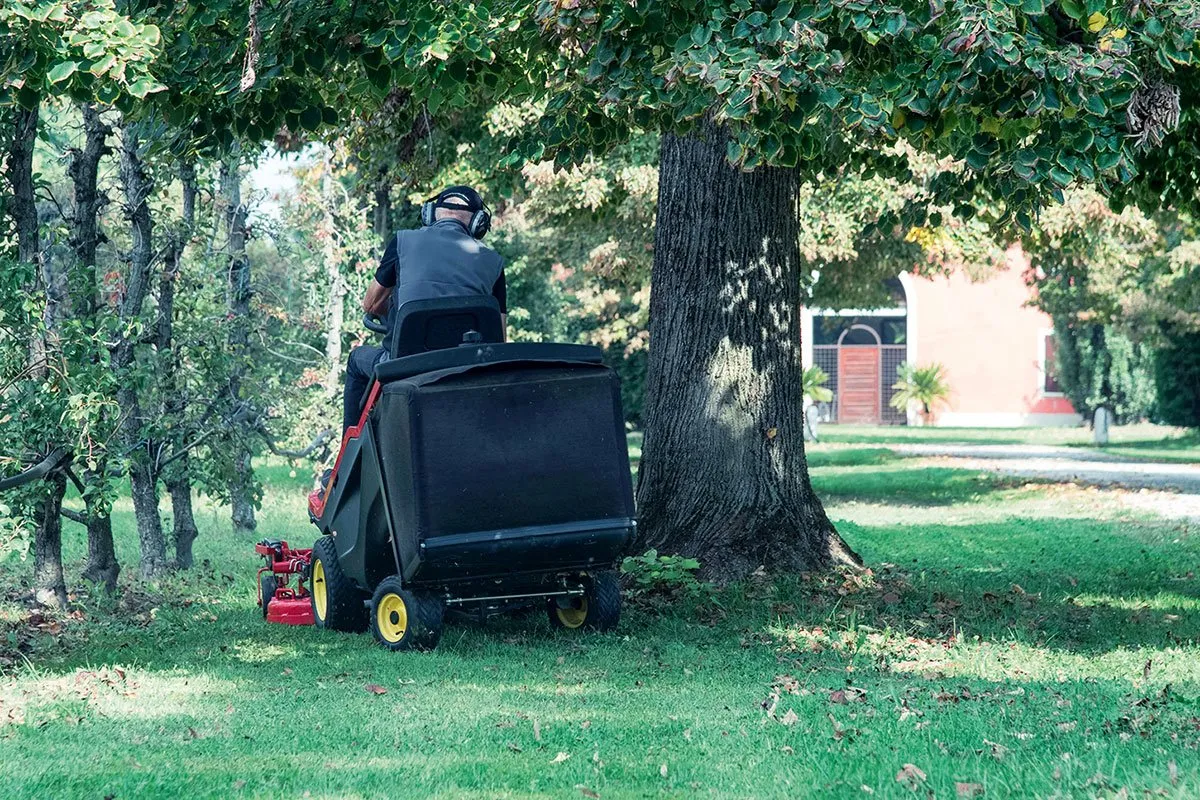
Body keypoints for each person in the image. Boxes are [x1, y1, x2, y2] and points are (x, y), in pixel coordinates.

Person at [343, 185, 507, 435]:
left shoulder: (403, 241)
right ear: (478, 223)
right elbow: (499, 336)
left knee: (357, 360)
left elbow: (371, 304)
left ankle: (348, 456)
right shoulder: (494, 262)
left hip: (403, 364)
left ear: (431, 214)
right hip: (465, 371)